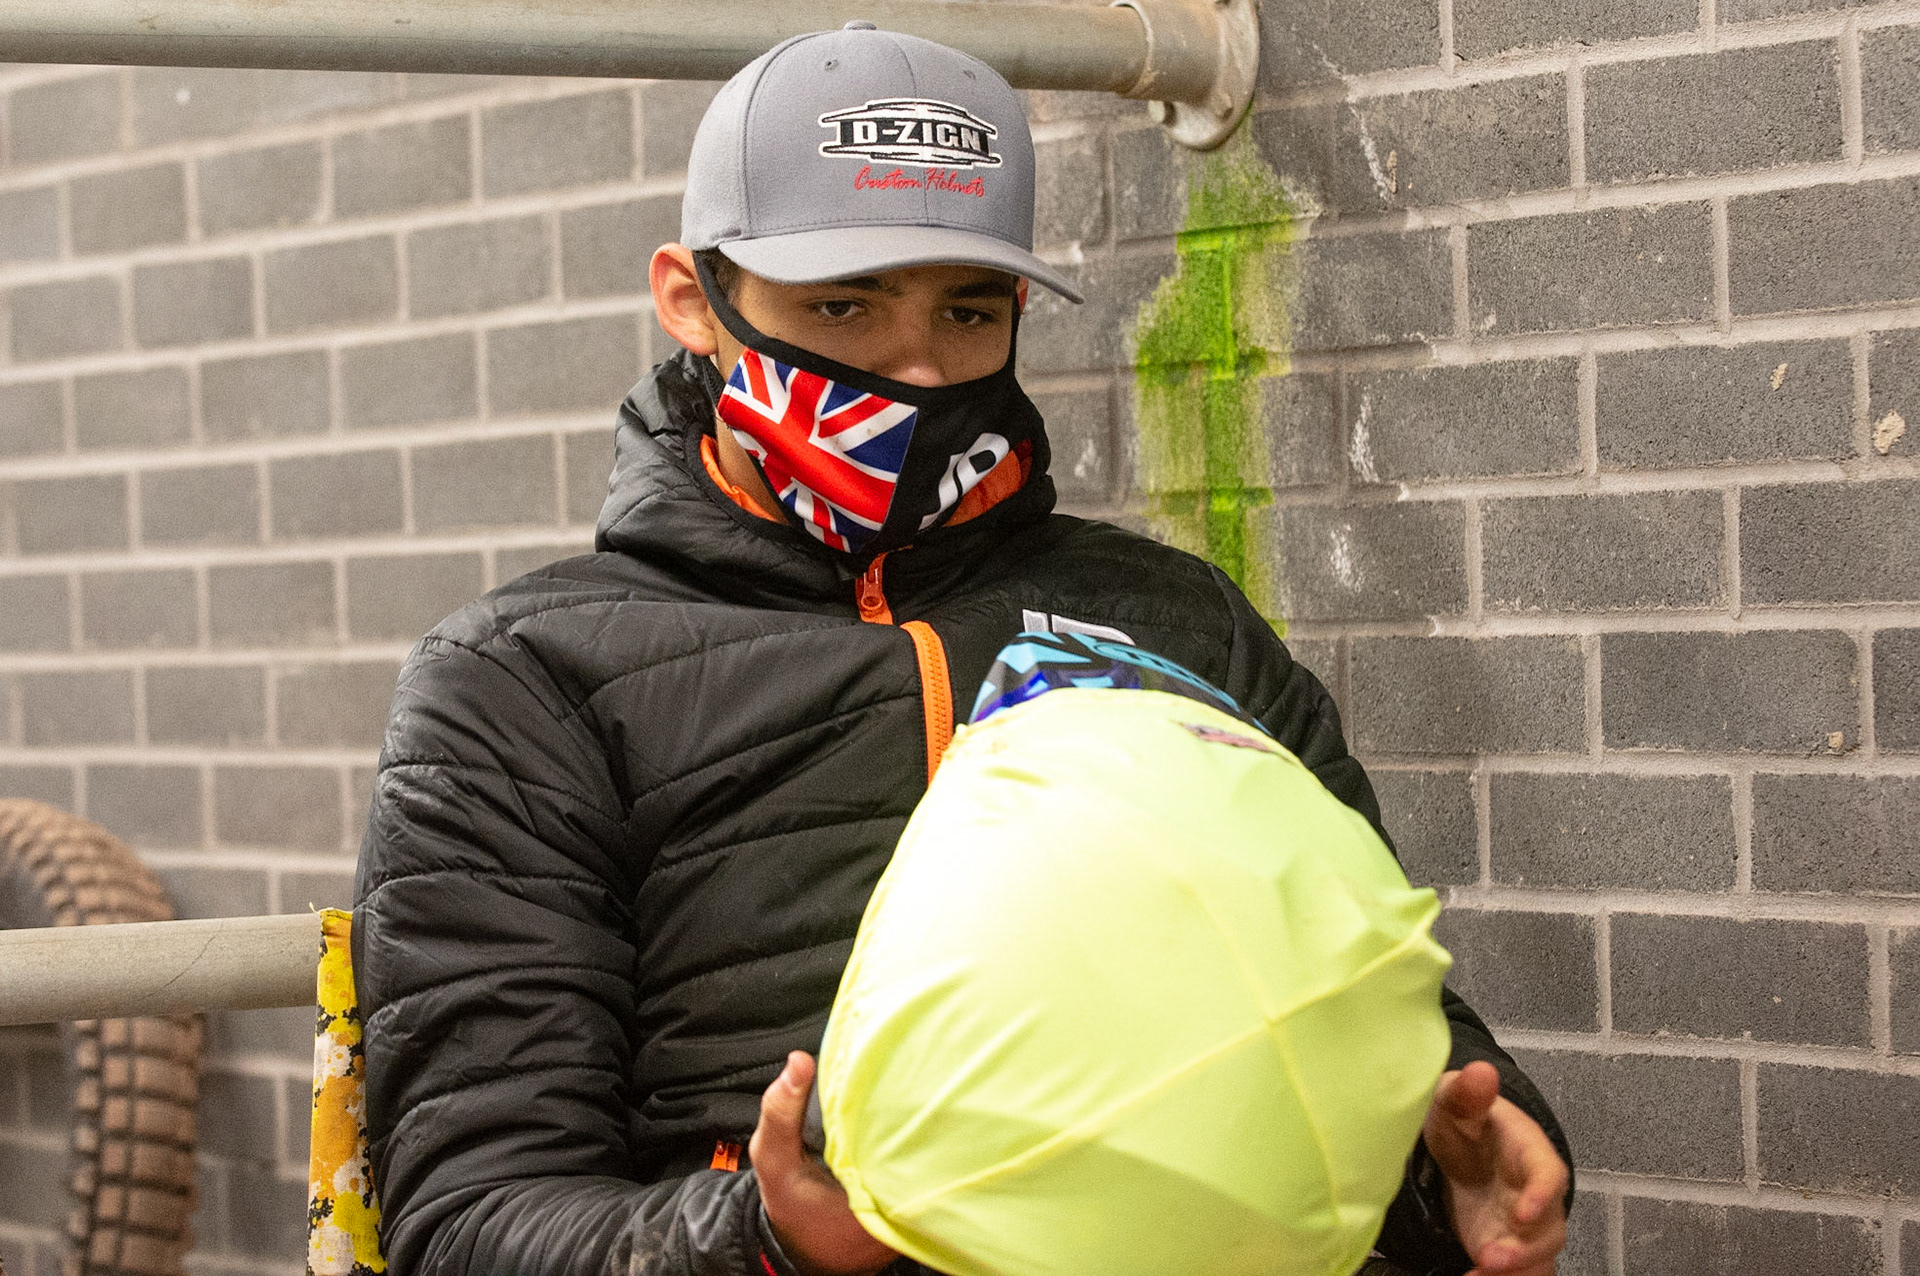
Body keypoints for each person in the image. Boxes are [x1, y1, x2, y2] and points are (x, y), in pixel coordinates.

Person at [353, 23, 1573, 1276]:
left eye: (970, 308)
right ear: (692, 299)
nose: (919, 367)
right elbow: (471, 1222)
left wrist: (1449, 1171)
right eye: (844, 304)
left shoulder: (1183, 621)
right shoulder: (522, 682)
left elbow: (1369, 991)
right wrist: (765, 1238)